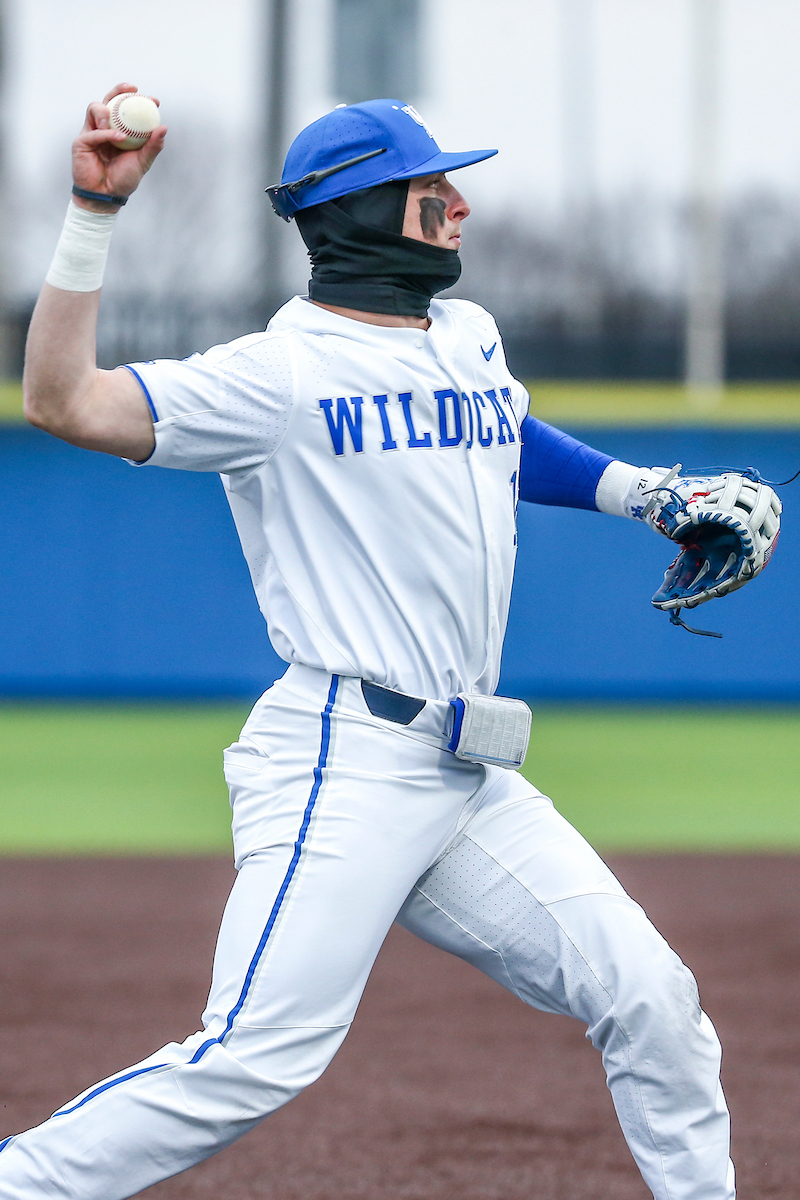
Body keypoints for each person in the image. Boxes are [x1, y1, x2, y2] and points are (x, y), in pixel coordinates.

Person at [3, 84, 737, 1200]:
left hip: (469, 775)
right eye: (431, 185)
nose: (458, 204)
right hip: (343, 759)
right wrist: (92, 214)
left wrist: (647, 494)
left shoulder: (466, 335)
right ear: (360, 209)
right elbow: (63, 403)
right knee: (252, 1055)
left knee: (652, 999)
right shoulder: (279, 375)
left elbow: (504, 432)